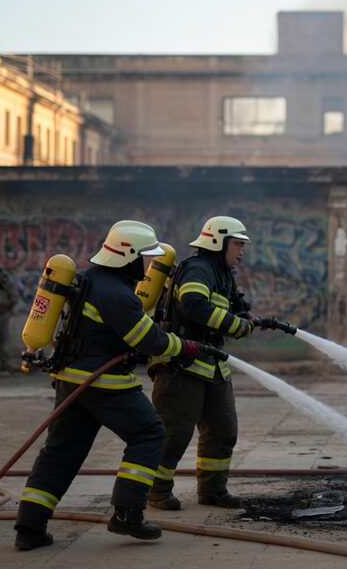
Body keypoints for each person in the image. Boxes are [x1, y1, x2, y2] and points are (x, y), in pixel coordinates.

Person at [14, 220, 205, 551]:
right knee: (149, 433)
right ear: (127, 256)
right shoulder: (117, 294)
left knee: (61, 452)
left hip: (71, 379)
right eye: (143, 259)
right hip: (103, 381)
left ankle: (30, 527)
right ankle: (128, 514)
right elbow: (147, 340)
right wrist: (185, 346)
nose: (146, 267)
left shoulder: (91, 280)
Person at [147, 215, 255, 510]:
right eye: (237, 244)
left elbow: (233, 309)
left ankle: (213, 491)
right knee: (174, 432)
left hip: (213, 364)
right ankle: (156, 490)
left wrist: (244, 318)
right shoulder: (197, 268)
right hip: (181, 363)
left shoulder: (223, 274)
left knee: (223, 430)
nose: (241, 251)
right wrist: (234, 324)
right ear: (218, 242)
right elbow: (193, 303)